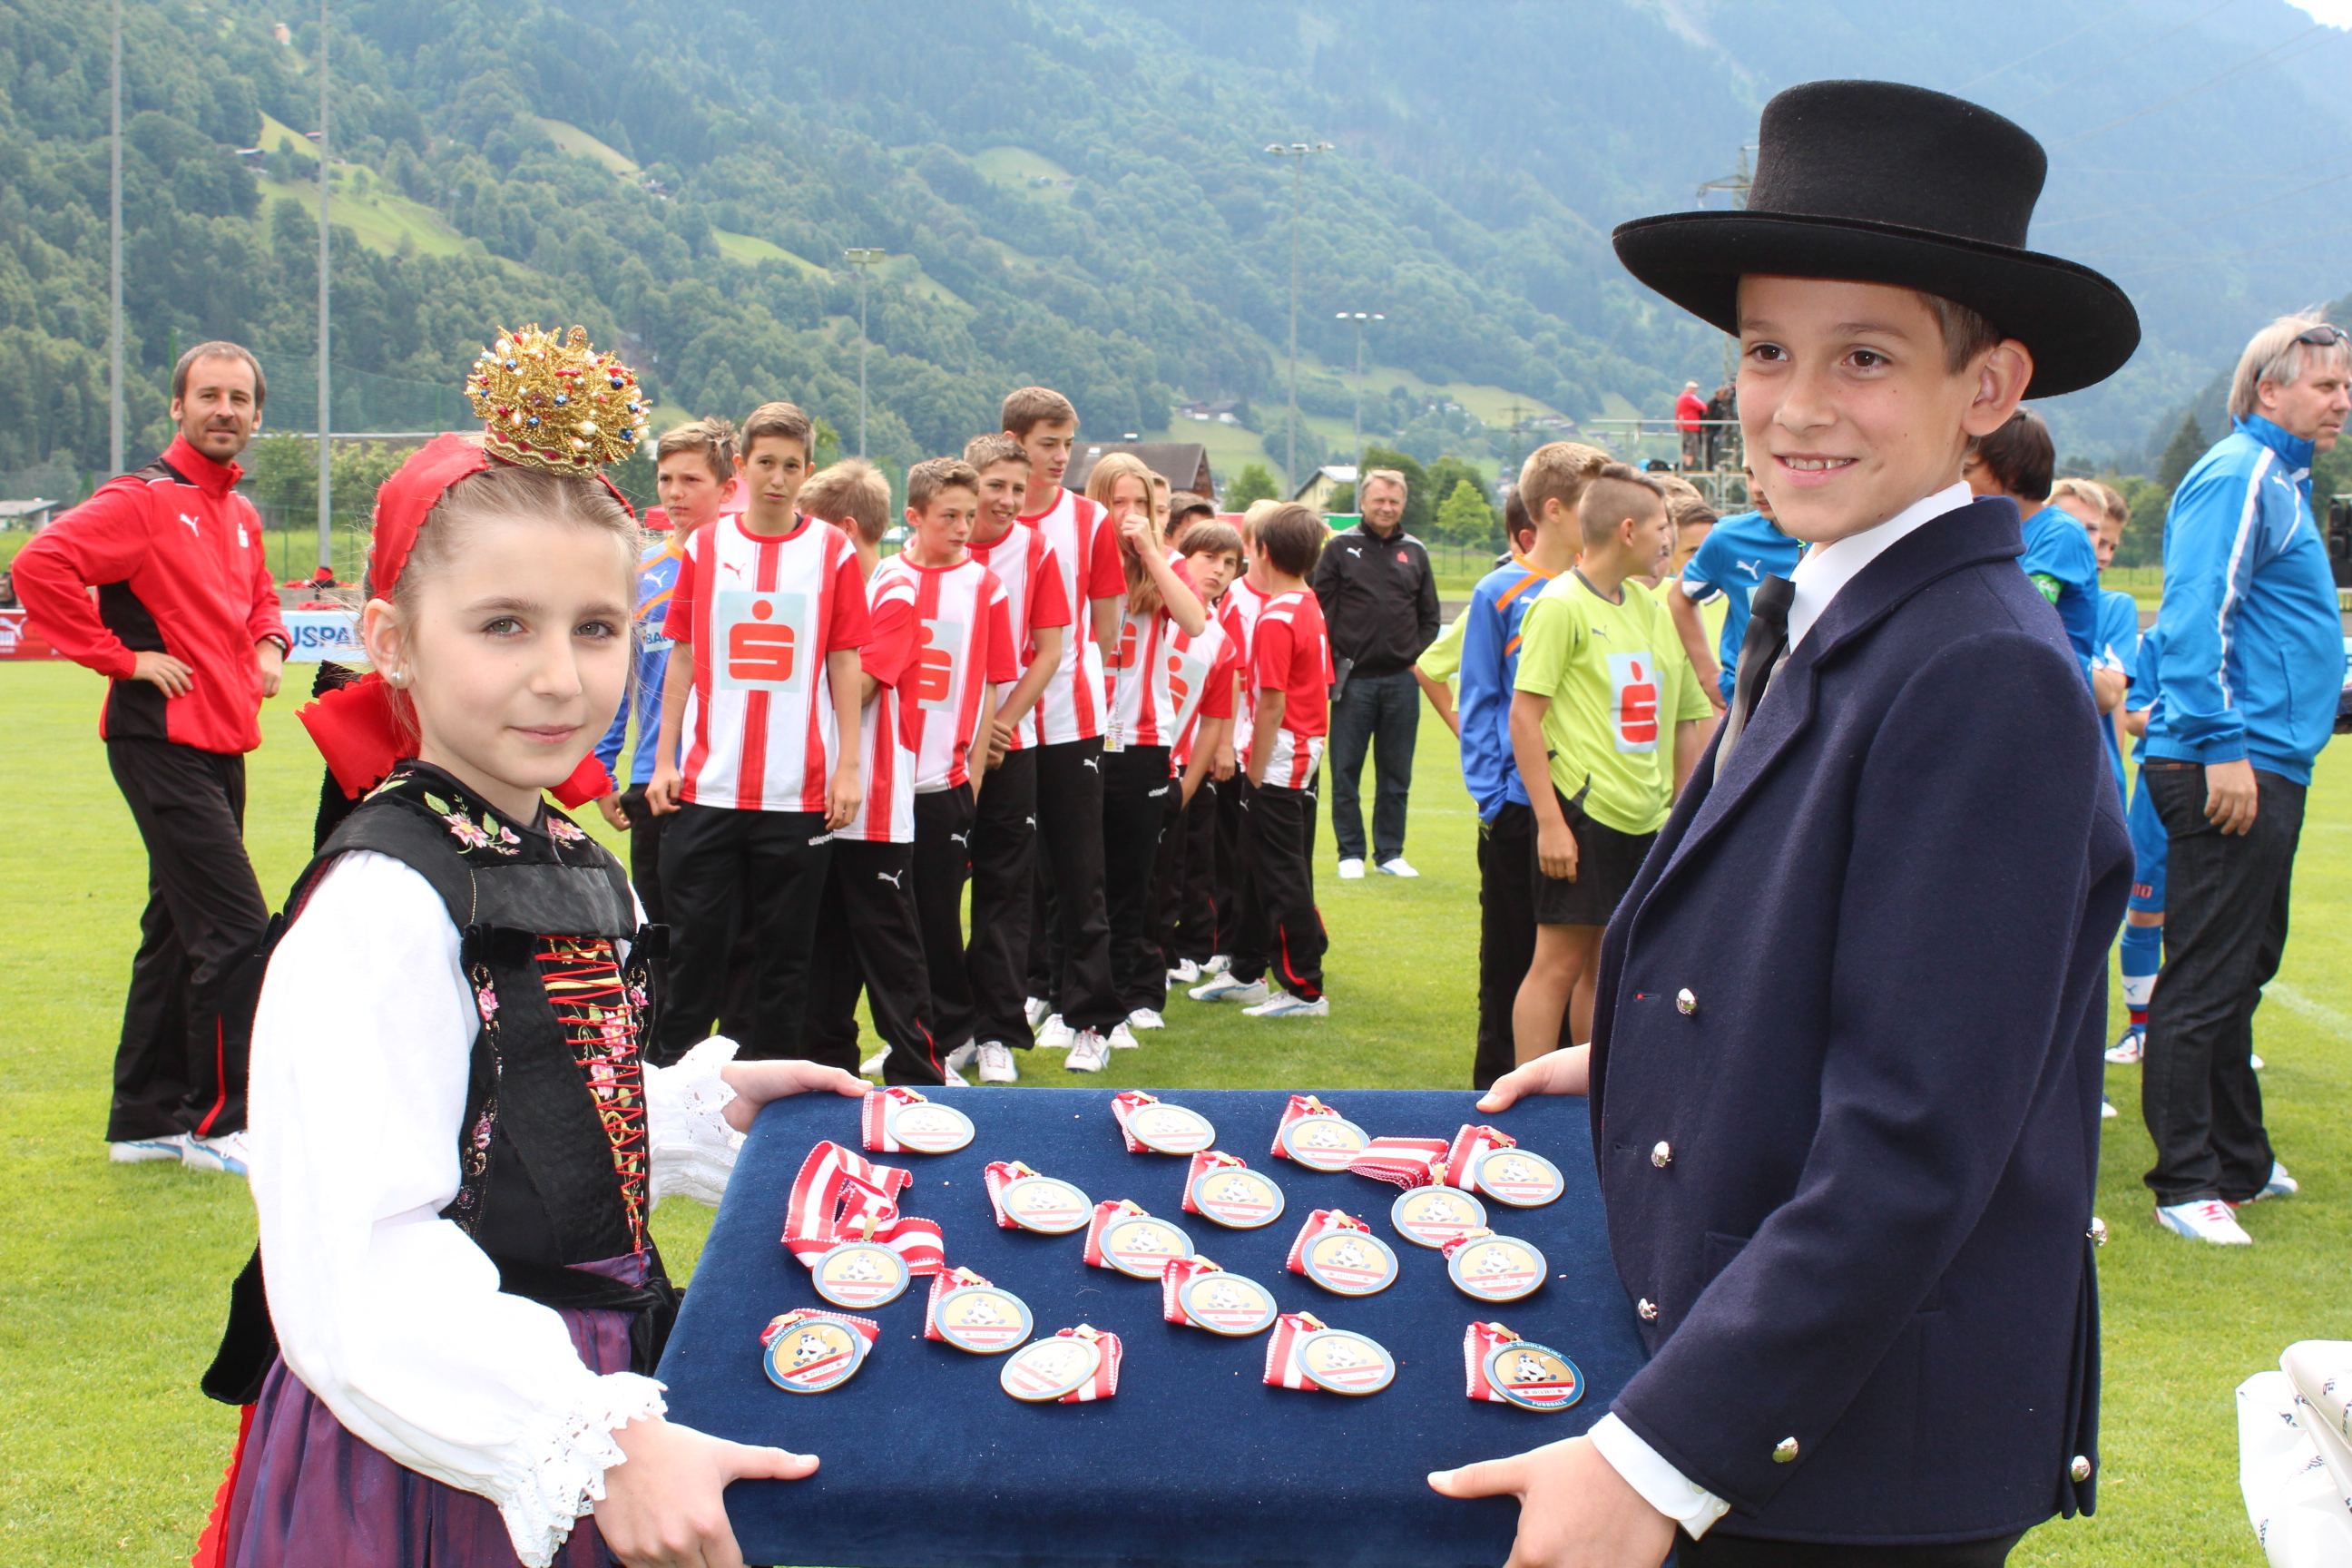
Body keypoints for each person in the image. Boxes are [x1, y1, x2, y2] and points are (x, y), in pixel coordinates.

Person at [1431, 80, 2141, 1564]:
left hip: (1845, 1469)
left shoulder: (1982, 671)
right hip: (1790, 1416)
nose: (1797, 403)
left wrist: (1652, 1463)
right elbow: (1815, 960)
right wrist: (1649, 1057)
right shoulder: (1839, 605)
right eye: (1766, 349)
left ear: (1989, 386)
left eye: (1864, 356)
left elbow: (1915, 1139)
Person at [201, 350, 862, 1564]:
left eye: (596, 629)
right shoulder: (382, 907)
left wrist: (702, 1107)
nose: (562, 678)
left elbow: (527, 1106)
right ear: (392, 640)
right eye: (504, 625)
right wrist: (585, 1439)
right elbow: (364, 1259)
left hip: (584, 1367)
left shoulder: (566, 852)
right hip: (448, 1435)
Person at [13, 340, 286, 1174]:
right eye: (209, 395)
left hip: (223, 740)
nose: (224, 410)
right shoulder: (141, 501)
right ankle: (220, 1126)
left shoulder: (239, 514)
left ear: (256, 415)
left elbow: (260, 598)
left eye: (239, 399)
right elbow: (40, 564)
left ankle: (144, 1120)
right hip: (159, 738)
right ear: (177, 407)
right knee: (238, 931)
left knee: (175, 930)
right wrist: (120, 658)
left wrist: (269, 644)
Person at [2137, 313, 2349, 1244]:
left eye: (2346, 386)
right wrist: (2222, 743)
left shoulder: (2284, 481)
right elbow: (2195, 615)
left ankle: (2239, 1158)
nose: (2342, 401)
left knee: (2241, 967)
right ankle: (2186, 1183)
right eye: (2326, 385)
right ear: (2269, 390)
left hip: (2267, 757)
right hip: (2231, 761)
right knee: (2207, 974)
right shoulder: (2241, 475)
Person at [644, 401, 869, 1065]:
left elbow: (844, 661)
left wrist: (848, 766)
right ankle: (673, 1091)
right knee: (694, 951)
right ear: (742, 467)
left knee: (784, 962)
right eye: (766, 463)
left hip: (797, 795)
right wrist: (664, 760)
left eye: (791, 466)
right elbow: (683, 654)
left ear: (808, 471)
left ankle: (767, 1098)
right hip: (708, 789)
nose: (778, 478)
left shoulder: (831, 550)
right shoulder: (708, 546)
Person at [1507, 463, 1710, 1063]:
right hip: (1583, 816)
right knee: (1557, 963)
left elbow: (1685, 717)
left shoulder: (1649, 607)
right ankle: (1529, 1096)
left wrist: (1680, 814)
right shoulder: (1560, 605)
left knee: (1607, 963)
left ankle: (1588, 1092)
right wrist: (1551, 822)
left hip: (1643, 817)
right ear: (1627, 531)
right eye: (1661, 526)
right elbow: (1524, 717)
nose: (1667, 539)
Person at [1442, 450, 1607, 1090]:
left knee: (1581, 962)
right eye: (1592, 499)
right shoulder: (1499, 591)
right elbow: (1481, 698)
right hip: (1517, 809)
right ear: (1555, 510)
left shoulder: (1603, 587)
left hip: (1589, 810)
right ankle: (1493, 1097)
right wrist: (1493, 798)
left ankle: (1570, 1100)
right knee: (1512, 963)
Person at [867, 457, 1021, 1084]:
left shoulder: (985, 586)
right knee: (889, 924)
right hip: (885, 784)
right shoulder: (886, 576)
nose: (963, 528)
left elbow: (988, 685)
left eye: (968, 516)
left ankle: (952, 1035)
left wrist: (974, 778)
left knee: (936, 918)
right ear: (914, 517)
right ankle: (907, 1038)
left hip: (944, 784)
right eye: (949, 516)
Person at [795, 459, 947, 1087]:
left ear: (845, 529)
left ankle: (921, 1079)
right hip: (815, 800)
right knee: (823, 956)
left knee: (891, 955)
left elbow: (856, 687)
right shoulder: (825, 593)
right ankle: (832, 1076)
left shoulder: (893, 589)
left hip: (877, 806)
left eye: (810, 527)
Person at [940, 433, 1069, 1084]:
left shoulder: (1035, 550)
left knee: (1004, 892)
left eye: (1019, 489)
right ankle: (941, 1031)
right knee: (935, 893)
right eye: (996, 486)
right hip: (939, 753)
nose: (1009, 500)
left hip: (1009, 747)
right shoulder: (938, 550)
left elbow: (1049, 649)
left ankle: (996, 1033)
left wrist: (1003, 723)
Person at [1003, 387, 1126, 1066]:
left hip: (1071, 720)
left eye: (1068, 444)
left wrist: (1076, 679)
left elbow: (1106, 626)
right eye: (1048, 443)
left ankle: (1091, 1020)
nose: (1061, 456)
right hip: (998, 724)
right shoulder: (984, 516)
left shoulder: (1089, 520)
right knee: (1011, 874)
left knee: (1081, 873)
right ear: (1014, 441)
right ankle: (1023, 995)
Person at [1190, 503, 1333, 1017]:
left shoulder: (1276, 616)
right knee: (1252, 864)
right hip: (1298, 747)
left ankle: (1303, 988)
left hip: (1280, 756)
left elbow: (1271, 701)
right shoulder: (1307, 603)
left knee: (1280, 871)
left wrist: (1254, 768)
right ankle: (1247, 969)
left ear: (1262, 550)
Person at [591, 416, 735, 925]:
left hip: (729, 780)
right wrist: (603, 767)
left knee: (730, 937)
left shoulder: (749, 571)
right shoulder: (639, 574)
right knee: (660, 935)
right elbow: (618, 676)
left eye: (691, 479)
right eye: (666, 478)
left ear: (727, 487)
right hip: (654, 780)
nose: (675, 492)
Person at [1090, 454, 1208, 1058]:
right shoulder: (1080, 559)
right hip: (1080, 735)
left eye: (1141, 503)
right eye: (1119, 502)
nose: (1131, 514)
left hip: (1140, 741)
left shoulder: (1164, 565)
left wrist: (1153, 552)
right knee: (1076, 880)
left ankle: (1127, 997)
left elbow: (1195, 623)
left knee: (1132, 879)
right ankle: (1069, 996)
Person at [1312, 466, 1440, 880]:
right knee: (1346, 769)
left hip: (1402, 681)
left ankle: (1389, 853)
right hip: (1353, 679)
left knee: (1396, 773)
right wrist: (1334, 661)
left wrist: (1412, 656)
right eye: (1379, 500)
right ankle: (1350, 852)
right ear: (1364, 502)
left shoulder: (1415, 551)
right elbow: (1320, 610)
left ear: (1403, 504)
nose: (1386, 508)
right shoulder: (1339, 548)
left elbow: (1429, 617)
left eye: (1394, 501)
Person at [1153, 520, 1248, 991]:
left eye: (1229, 563)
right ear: (1181, 559)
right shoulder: (1156, 612)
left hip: (1181, 768)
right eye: (1208, 558)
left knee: (1180, 868)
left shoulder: (1219, 637)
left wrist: (1190, 782)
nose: (1219, 570)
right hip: (1131, 760)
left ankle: (1179, 952)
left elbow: (1217, 707)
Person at [1965, 409, 2102, 681]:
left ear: (2012, 472)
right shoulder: (1997, 536)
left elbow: (2018, 616)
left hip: (2053, 687)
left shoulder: (2060, 534)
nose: (1959, 481)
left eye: (1967, 470)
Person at [1669, 479, 1801, 713]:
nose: (1756, 487)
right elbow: (1680, 596)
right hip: (1751, 707)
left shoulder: (1845, 532)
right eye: (1749, 473)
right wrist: (1709, 678)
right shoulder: (1729, 537)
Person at [1675, 379, 1708, 470]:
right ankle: (1688, 466)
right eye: (1694, 389)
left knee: (1685, 446)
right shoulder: (1689, 397)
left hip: (1682, 425)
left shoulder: (1680, 397)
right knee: (1691, 446)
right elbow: (1703, 407)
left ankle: (1683, 465)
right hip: (1690, 426)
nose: (1695, 391)